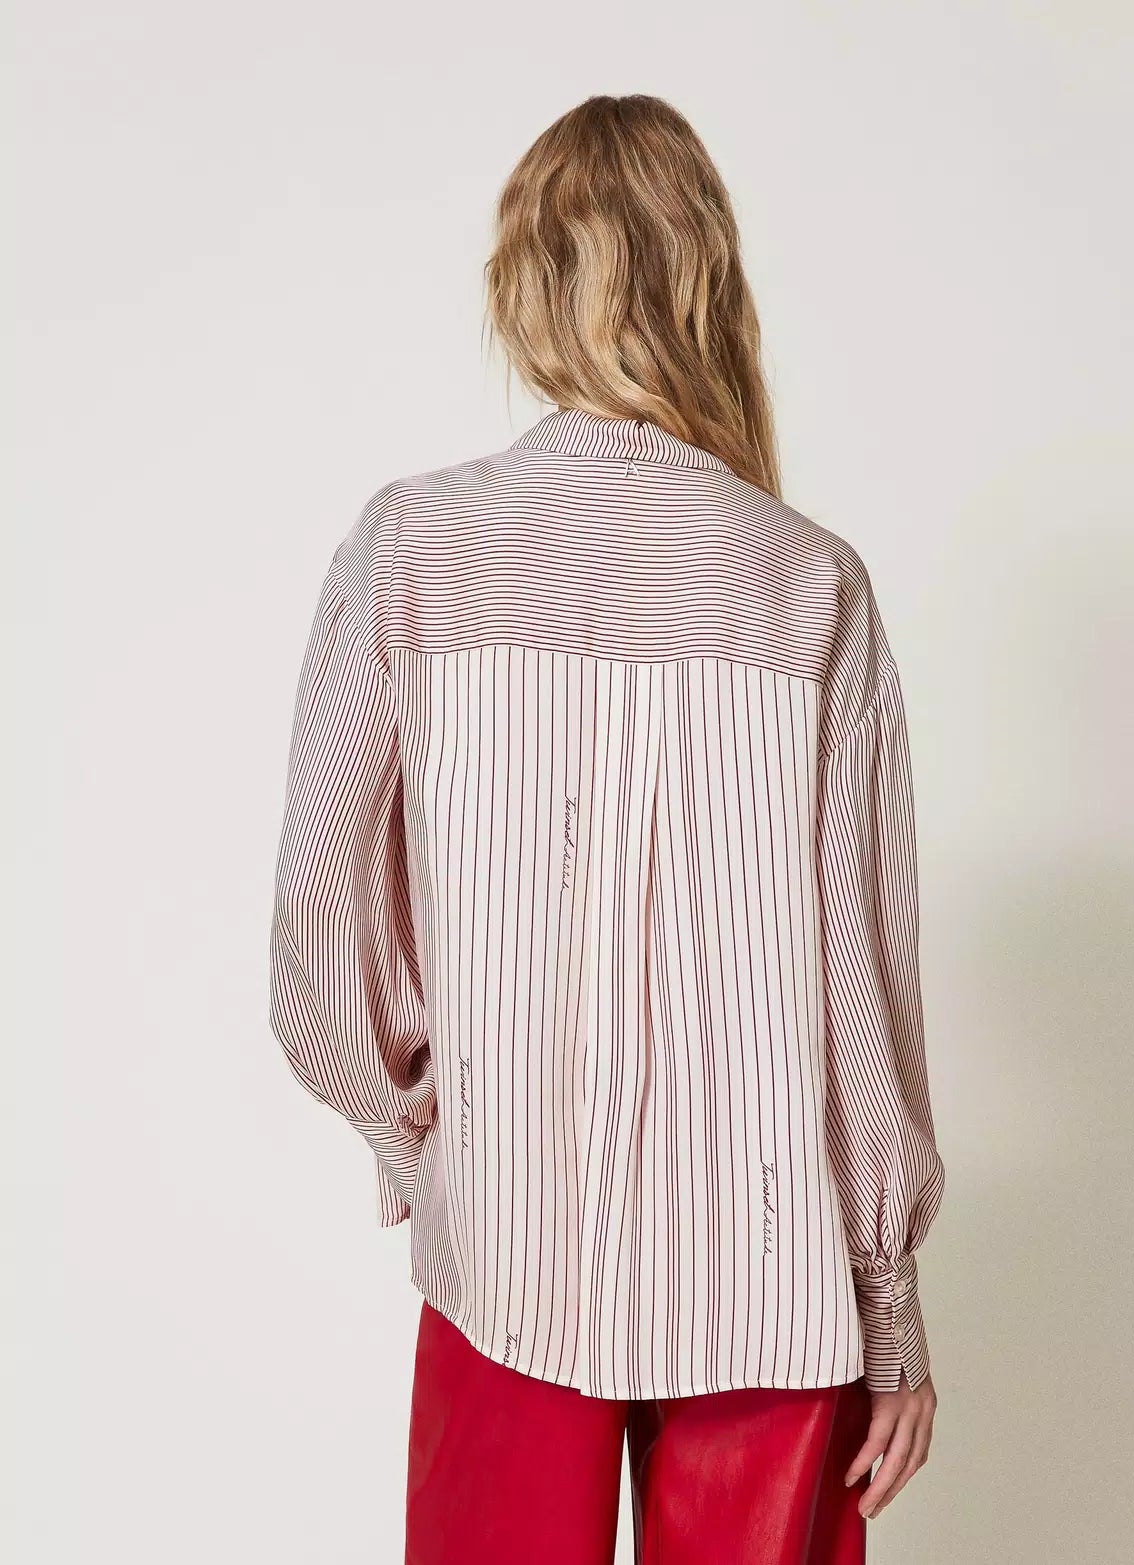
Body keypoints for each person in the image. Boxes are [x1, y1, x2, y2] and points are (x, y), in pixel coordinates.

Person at [268, 93, 945, 1565]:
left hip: (509, 1258)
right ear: (710, 282)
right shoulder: (807, 579)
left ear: (526, 286)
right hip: (772, 1269)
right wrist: (887, 1303)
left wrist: (437, 1146)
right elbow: (862, 978)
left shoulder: (411, 546)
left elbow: (318, 945)